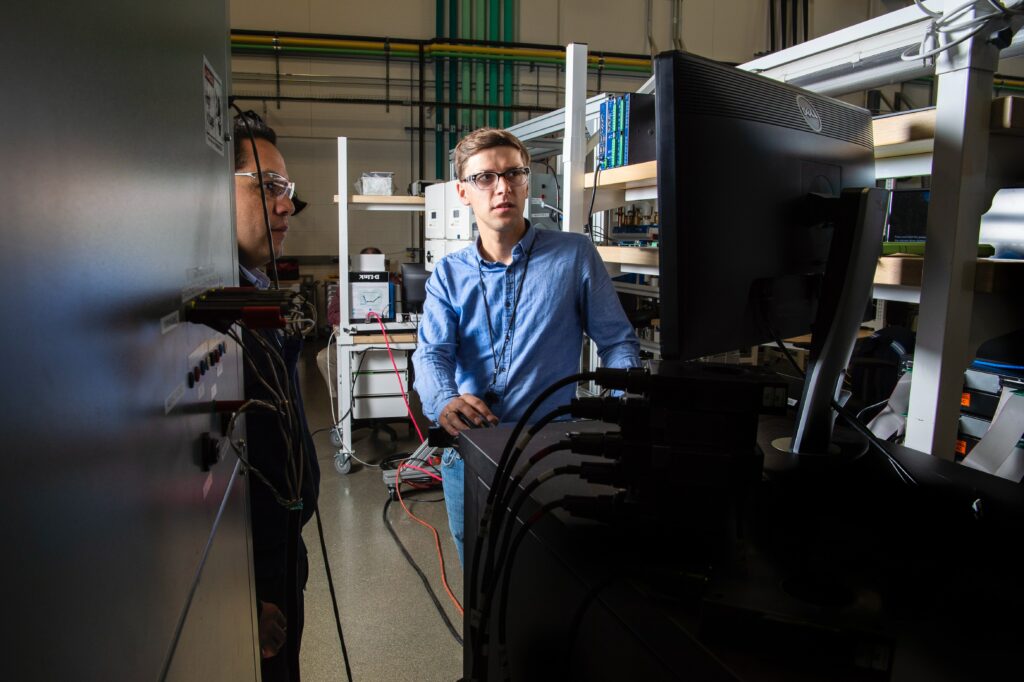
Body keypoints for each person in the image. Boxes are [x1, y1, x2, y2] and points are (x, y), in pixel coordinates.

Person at [412, 127, 641, 565]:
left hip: (553, 452)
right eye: (485, 178)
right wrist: (443, 399)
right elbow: (432, 352)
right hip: (472, 452)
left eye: (513, 173)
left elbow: (617, 342)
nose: (502, 187)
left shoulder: (574, 256)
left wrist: (619, 408)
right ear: (463, 191)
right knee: (482, 584)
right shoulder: (449, 274)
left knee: (552, 577)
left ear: (527, 179)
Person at [233, 111, 320, 682]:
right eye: (268, 187)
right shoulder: (217, 310)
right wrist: (246, 592)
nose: (286, 204)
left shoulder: (251, 290)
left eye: (286, 190)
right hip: (255, 572)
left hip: (284, 554)